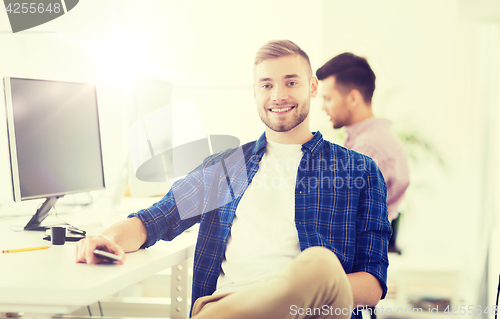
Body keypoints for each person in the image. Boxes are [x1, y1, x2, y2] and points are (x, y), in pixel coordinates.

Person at [76, 40, 392, 319]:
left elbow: (373, 285)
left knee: (321, 264)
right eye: (266, 85)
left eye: (290, 82)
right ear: (255, 93)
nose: (278, 95)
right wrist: (108, 239)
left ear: (312, 87)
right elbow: (156, 219)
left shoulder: (359, 171)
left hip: (313, 312)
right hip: (231, 303)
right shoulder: (225, 168)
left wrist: (293, 291)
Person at [316, 53, 410, 227]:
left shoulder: (369, 147)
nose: (323, 107)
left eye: (328, 98)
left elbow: (339, 214)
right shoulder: (371, 140)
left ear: (353, 98)